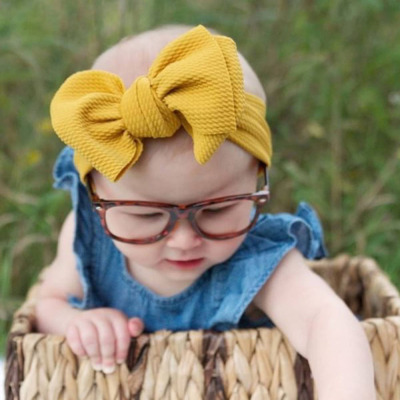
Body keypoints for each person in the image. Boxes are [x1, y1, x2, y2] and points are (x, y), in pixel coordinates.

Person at [35, 25, 375, 399]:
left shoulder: (256, 258)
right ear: (96, 195)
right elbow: (47, 302)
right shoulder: (88, 236)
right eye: (146, 216)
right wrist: (76, 322)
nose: (184, 240)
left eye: (217, 210)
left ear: (257, 178)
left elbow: (324, 321)